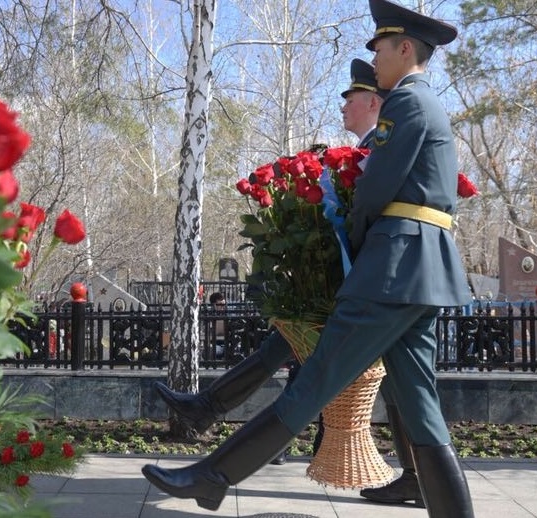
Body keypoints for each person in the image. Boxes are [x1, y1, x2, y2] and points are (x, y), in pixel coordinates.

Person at [142, 2, 474, 516]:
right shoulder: (425, 103)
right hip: (422, 269)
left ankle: (213, 475)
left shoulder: (406, 103)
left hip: (393, 265)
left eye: (381, 49)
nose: (376, 59)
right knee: (422, 408)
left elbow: (373, 191)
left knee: (316, 378)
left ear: (405, 48)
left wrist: (357, 245)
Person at [152, 57, 393, 471]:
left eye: (349, 97)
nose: (342, 106)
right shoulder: (362, 150)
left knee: (389, 386)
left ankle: (217, 439)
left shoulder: (378, 149)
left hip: (356, 282)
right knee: (283, 347)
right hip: (335, 282)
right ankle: (209, 415)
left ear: (371, 101)